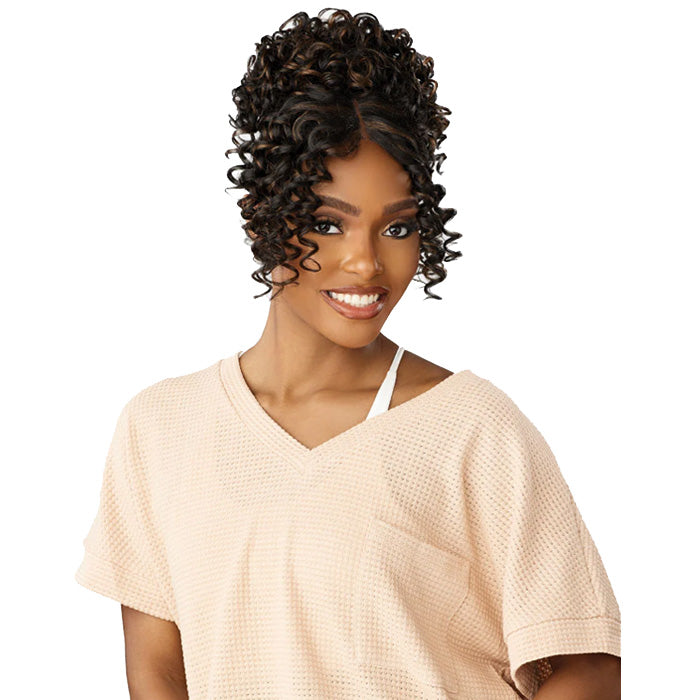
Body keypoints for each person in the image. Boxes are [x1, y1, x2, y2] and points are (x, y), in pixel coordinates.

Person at [75, 8, 621, 699]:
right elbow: (158, 671)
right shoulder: (160, 429)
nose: (365, 263)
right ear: (263, 215)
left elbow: (586, 666)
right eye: (329, 224)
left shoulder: (473, 430)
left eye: (396, 228)